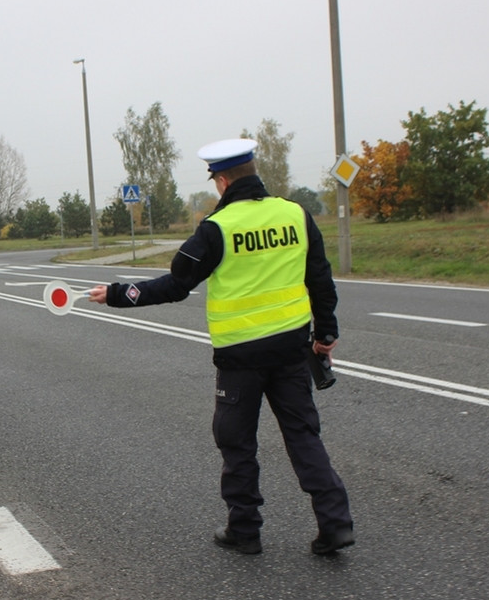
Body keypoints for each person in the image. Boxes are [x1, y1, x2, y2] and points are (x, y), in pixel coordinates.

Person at [88, 138, 354, 555]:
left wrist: (120, 293)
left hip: (240, 358)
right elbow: (320, 281)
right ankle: (336, 524)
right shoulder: (296, 215)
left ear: (224, 180)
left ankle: (245, 530)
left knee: (237, 442)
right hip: (290, 349)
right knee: (304, 436)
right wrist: (325, 336)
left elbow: (176, 284)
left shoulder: (217, 227)